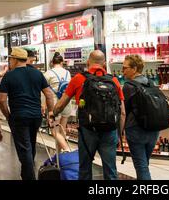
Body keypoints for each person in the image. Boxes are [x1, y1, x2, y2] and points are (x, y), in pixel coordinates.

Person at [54, 50, 126, 180]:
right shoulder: (114, 81)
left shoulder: (78, 79)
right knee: (110, 170)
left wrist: (53, 113)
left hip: (87, 130)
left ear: (88, 62)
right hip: (109, 131)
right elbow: (122, 113)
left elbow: (61, 104)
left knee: (85, 168)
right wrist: (118, 134)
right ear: (104, 64)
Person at [0, 47, 55, 180]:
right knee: (30, 144)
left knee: (24, 148)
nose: (10, 62)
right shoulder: (37, 73)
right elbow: (49, 94)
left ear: (15, 60)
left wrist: (7, 116)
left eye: (10, 59)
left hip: (19, 116)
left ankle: (29, 177)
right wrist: (50, 112)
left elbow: (1, 100)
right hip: (36, 116)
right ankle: (25, 174)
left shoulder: (9, 75)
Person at [122, 54, 159, 180]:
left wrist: (120, 130)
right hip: (153, 129)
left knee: (141, 166)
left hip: (135, 130)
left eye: (125, 68)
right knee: (144, 164)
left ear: (134, 68)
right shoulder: (151, 82)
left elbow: (123, 111)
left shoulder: (128, 86)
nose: (123, 71)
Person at [43, 52, 71, 151]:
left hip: (54, 105)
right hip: (66, 104)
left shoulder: (48, 73)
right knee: (62, 131)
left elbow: (44, 92)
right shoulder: (67, 73)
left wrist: (43, 105)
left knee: (54, 131)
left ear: (52, 62)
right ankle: (59, 157)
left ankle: (67, 150)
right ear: (62, 62)